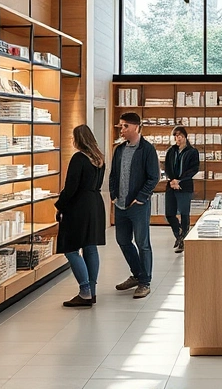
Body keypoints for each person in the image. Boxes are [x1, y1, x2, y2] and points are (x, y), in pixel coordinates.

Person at [109, 112, 160, 299]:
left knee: (142, 243)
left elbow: (154, 177)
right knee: (122, 240)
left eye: (125, 126)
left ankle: (144, 282)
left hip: (138, 205)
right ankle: (137, 274)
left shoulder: (147, 149)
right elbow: (113, 175)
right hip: (120, 205)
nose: (121, 130)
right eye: (121, 126)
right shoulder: (119, 150)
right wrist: (114, 196)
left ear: (136, 127)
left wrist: (140, 197)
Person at [55, 125, 106, 308]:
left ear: (78, 139)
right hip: (95, 204)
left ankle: (84, 291)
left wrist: (60, 205)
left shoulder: (79, 158)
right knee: (90, 247)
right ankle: (92, 291)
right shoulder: (99, 159)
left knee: (71, 249)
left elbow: (71, 188)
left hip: (79, 206)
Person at [164, 126, 200, 254]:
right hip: (171, 185)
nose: (177, 138)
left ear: (185, 136)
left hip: (185, 186)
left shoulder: (192, 151)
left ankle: (183, 240)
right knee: (169, 213)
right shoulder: (171, 151)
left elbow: (194, 169)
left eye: (179, 136)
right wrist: (172, 180)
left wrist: (180, 180)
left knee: (184, 213)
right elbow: (167, 167)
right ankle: (179, 234)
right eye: (175, 136)